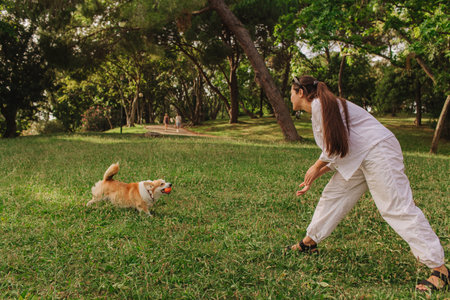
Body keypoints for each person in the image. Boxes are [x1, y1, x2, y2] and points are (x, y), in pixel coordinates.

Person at [288, 75, 448, 292]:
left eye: (291, 92)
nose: (289, 97)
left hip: (378, 152)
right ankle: (309, 242)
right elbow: (341, 147)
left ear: (300, 92)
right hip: (361, 155)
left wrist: (315, 167)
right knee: (334, 194)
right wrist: (317, 173)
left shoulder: (319, 105)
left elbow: (332, 148)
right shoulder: (323, 105)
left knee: (396, 207)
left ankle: (440, 270)